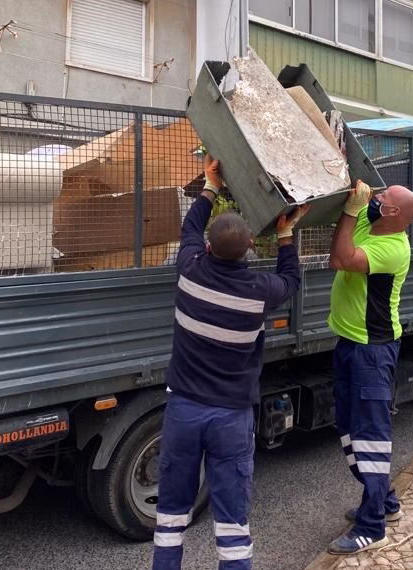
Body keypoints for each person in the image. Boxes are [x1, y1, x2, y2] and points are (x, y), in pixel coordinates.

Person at [152, 156, 308, 570]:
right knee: (231, 517)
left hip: (183, 411)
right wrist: (287, 234)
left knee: (171, 512)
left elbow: (188, 229)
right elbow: (291, 282)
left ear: (206, 248)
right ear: (249, 250)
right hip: (231, 417)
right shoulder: (258, 292)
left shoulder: (189, 272)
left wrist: (211, 185)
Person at [326, 180, 413, 554]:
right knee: (349, 428)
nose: (375, 199)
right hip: (350, 342)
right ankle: (386, 501)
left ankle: (372, 526)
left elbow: (341, 259)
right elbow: (352, 199)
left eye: (383, 198)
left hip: (372, 350)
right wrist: (356, 194)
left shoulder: (393, 247)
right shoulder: (372, 219)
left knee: (370, 435)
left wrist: (352, 212)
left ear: (394, 213)